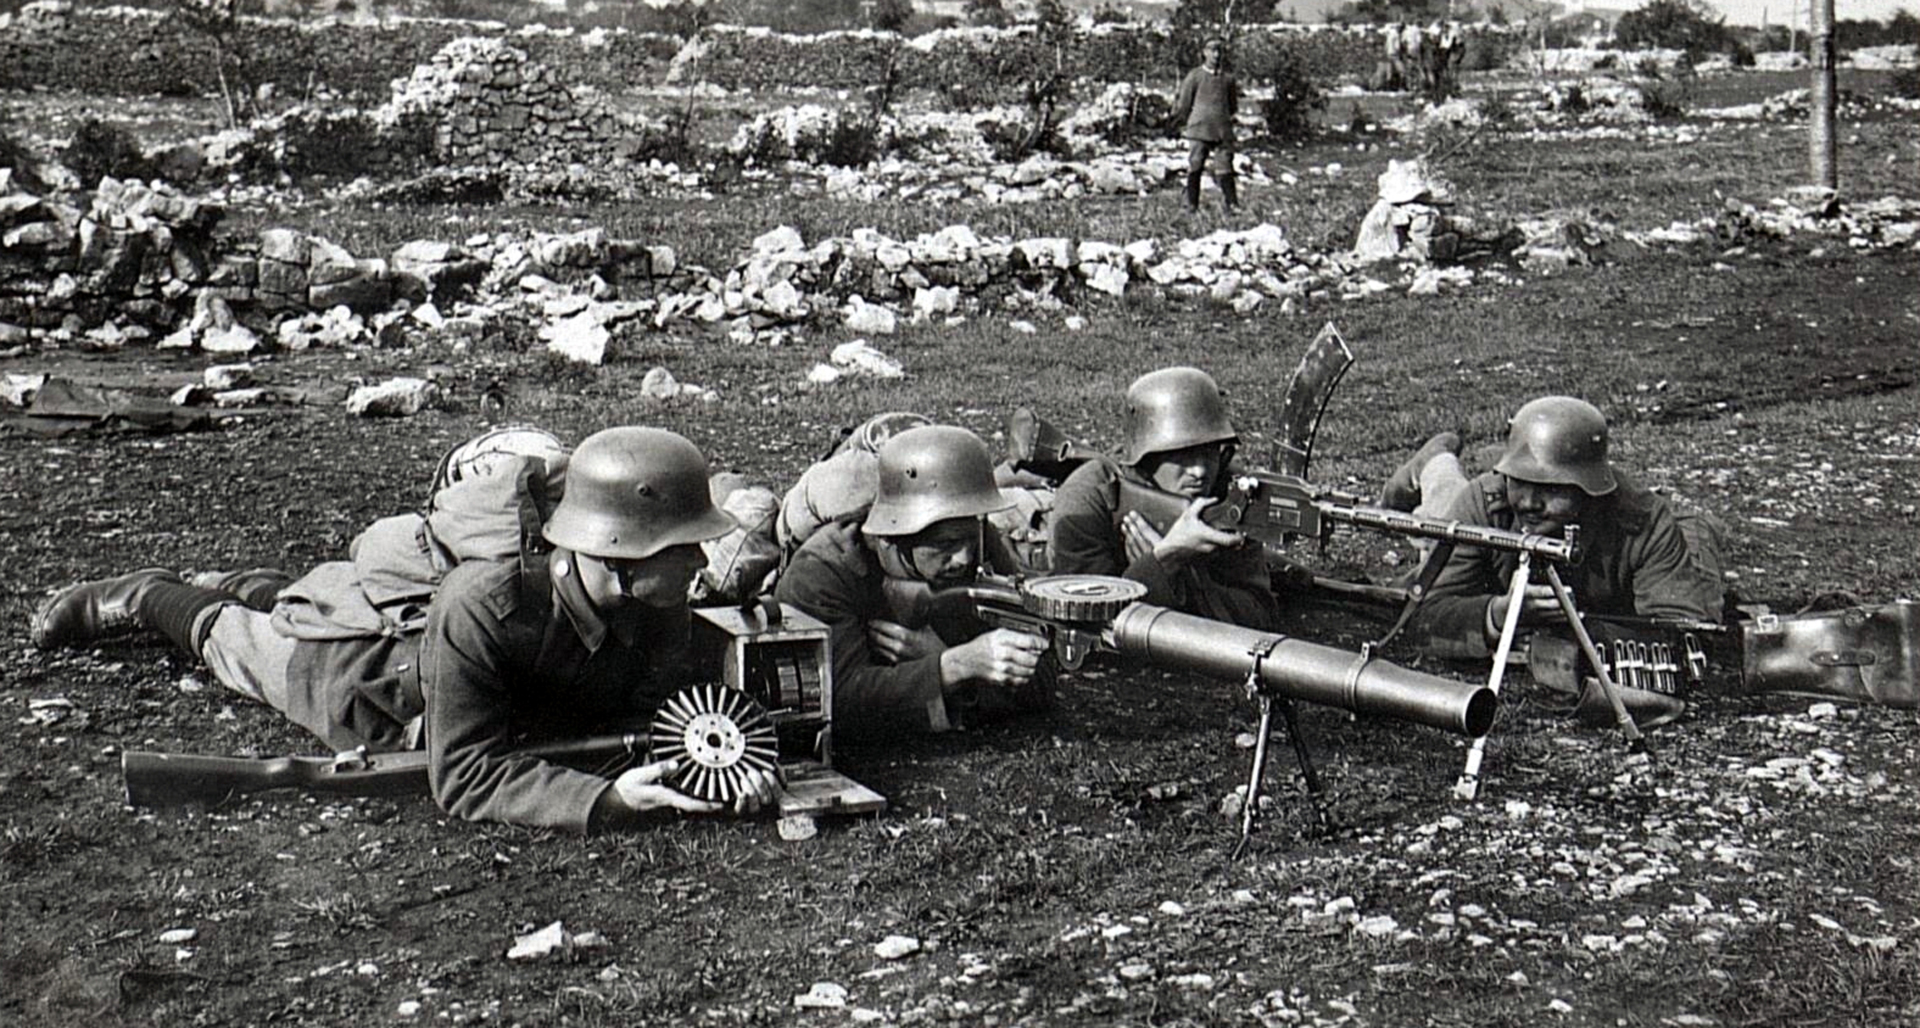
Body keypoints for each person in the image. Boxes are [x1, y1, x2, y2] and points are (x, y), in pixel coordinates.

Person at [30, 427, 780, 832]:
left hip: (443, 661)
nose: (699, 559)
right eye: (681, 546)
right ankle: (146, 595)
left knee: (291, 592)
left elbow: (665, 717)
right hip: (366, 685)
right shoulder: (486, 603)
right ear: (620, 551)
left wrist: (727, 770)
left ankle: (237, 579)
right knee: (234, 640)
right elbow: (466, 777)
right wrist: (607, 803)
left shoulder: (660, 605)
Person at [1385, 397, 1727, 660]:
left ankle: (1435, 463)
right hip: (1470, 511)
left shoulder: (1643, 521)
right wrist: (1498, 614)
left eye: (1550, 489)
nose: (1530, 502)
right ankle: (1434, 462)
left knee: (1700, 557)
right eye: (1520, 481)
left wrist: (1582, 633)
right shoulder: (1487, 500)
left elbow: (1683, 632)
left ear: (1588, 488)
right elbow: (1420, 615)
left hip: (1669, 544)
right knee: (1443, 516)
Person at [774, 425, 1051, 741]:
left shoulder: (977, 543)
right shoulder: (824, 572)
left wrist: (944, 657)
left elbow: (1041, 677)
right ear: (893, 535)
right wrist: (954, 666)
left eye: (968, 540)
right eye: (944, 544)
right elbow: (835, 703)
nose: (963, 558)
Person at [1048, 367, 1280, 631]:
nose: (1200, 471)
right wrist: (1161, 561)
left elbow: (1259, 615)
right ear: (1146, 458)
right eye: (1183, 454)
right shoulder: (1087, 497)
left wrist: (1181, 573)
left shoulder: (1231, 493)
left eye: (1209, 453)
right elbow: (1084, 621)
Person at [1169, 35, 1239, 213]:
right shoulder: (1195, 76)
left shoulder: (1228, 79)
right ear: (1204, 53)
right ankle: (1191, 204)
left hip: (1222, 130)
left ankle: (1232, 205)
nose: (1216, 55)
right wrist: (1177, 122)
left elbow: (1232, 106)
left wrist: (1223, 119)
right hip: (1199, 129)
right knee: (1196, 166)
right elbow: (1184, 103)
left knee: (1225, 167)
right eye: (1212, 51)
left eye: (1219, 51)